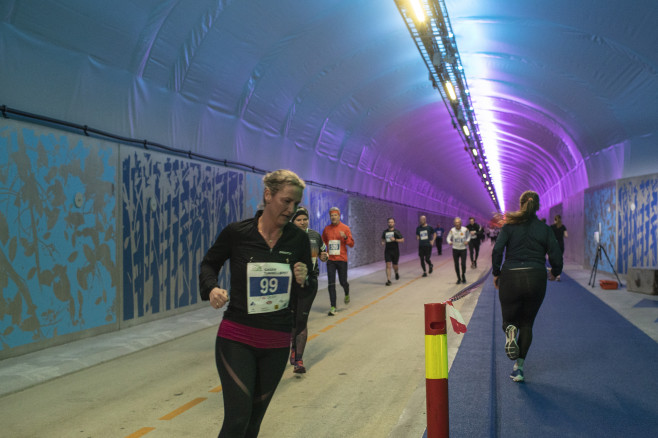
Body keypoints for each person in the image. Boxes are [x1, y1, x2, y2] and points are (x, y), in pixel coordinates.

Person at [199, 169, 311, 437]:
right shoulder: (238, 233)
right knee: (237, 420)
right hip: (237, 337)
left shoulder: (298, 239)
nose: (291, 209)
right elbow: (209, 263)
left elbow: (307, 284)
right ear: (268, 195)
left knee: (252, 425)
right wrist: (212, 288)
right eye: (286, 201)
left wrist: (304, 277)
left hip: (276, 340)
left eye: (295, 203)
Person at [492, 190, 563, 383]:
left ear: (521, 203)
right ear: (538, 206)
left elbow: (497, 250)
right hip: (536, 277)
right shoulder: (544, 229)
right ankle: (519, 368)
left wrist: (496, 272)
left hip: (511, 277)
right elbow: (556, 254)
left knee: (509, 321)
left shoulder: (509, 226)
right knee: (527, 324)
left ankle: (510, 333)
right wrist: (555, 272)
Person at [289, 206, 328, 373]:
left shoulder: (314, 236)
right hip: (290, 284)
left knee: (302, 319)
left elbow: (323, 253)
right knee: (291, 319)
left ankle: (299, 359)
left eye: (305, 219)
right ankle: (292, 347)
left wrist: (324, 257)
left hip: (309, 283)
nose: (302, 222)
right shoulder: (286, 236)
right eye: (299, 219)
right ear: (293, 221)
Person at [322, 207, 355, 316]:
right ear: (330, 217)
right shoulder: (326, 229)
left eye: (335, 215)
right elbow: (323, 242)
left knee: (342, 282)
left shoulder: (345, 228)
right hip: (331, 260)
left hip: (342, 259)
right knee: (331, 284)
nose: (333, 217)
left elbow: (351, 244)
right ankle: (333, 306)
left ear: (339, 216)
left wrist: (345, 237)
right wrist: (323, 253)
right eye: (332, 215)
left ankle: (346, 292)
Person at [381, 217, 405, 285]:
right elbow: (382, 239)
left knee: (395, 265)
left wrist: (395, 240)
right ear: (387, 223)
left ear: (394, 223)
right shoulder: (385, 232)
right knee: (388, 265)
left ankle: (396, 272)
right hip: (387, 251)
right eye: (389, 222)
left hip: (395, 251)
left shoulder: (396, 232)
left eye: (391, 222)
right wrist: (382, 242)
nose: (390, 223)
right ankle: (388, 280)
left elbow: (402, 240)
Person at [447, 217, 470, 284]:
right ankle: (458, 278)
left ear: (461, 223)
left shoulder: (465, 229)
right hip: (455, 249)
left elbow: (468, 236)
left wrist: (467, 241)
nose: (457, 224)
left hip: (463, 249)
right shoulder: (452, 230)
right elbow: (448, 238)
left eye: (458, 222)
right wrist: (449, 242)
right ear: (454, 223)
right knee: (456, 264)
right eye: (456, 222)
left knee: (463, 264)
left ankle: (463, 275)